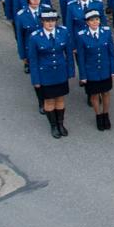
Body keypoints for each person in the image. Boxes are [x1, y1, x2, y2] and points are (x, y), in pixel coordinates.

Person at [28, 10, 76, 139]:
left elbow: (68, 53)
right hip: (46, 75)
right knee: (49, 101)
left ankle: (61, 124)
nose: (50, 23)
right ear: (42, 22)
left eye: (53, 20)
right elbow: (33, 60)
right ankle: (53, 126)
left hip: (60, 72)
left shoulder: (63, 32)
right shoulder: (35, 37)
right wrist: (36, 80)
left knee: (60, 99)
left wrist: (71, 70)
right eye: (47, 21)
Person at [75, 10, 114, 131]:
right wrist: (83, 75)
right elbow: (81, 57)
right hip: (91, 71)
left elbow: (111, 51)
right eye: (92, 20)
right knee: (94, 95)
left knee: (105, 92)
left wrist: (113, 69)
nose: (95, 22)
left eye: (97, 19)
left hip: (105, 69)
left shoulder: (106, 32)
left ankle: (106, 114)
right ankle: (98, 115)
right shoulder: (81, 35)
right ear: (87, 22)